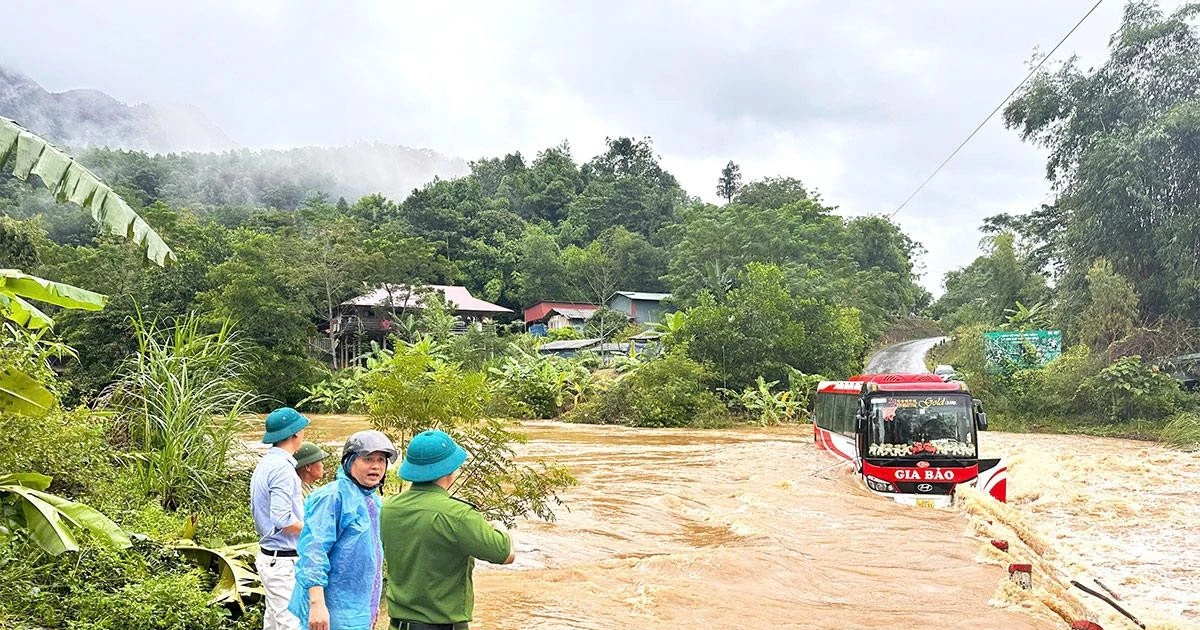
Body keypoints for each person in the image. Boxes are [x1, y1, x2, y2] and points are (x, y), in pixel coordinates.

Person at [381, 430, 515, 630]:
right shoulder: (458, 515)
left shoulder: (387, 508)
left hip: (398, 625)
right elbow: (506, 555)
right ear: (450, 469)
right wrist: (501, 529)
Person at [289, 430, 397, 630]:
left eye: (381, 460)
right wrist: (317, 604)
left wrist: (372, 605)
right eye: (368, 459)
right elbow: (314, 551)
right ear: (349, 462)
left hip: (359, 608)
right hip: (332, 609)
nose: (376, 466)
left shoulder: (372, 499)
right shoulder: (332, 496)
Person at [250, 407, 311, 630]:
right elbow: (282, 519)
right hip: (283, 561)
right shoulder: (283, 469)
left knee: (274, 622)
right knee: (291, 623)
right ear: (294, 434)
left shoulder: (266, 464)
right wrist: (313, 532)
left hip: (272, 556)